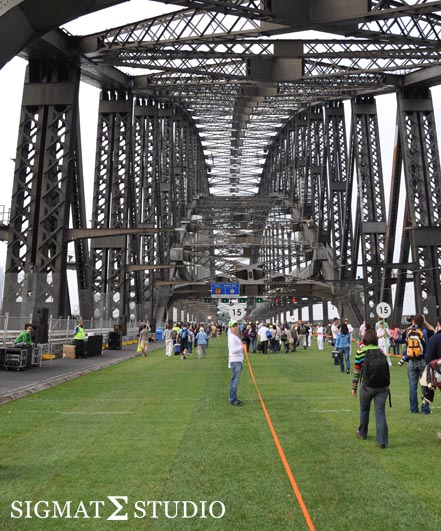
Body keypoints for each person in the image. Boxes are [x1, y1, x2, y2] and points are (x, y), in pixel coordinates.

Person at [351, 329, 389, 449]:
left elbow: (357, 371)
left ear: (365, 339)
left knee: (364, 410)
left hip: (367, 387)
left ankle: (362, 433)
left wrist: (354, 388)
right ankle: (382, 441)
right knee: (380, 413)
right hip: (382, 387)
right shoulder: (381, 352)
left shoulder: (361, 352)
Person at [405, 314, 433, 414]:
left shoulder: (409, 331)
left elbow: (402, 338)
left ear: (413, 322)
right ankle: (425, 408)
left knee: (412, 386)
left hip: (411, 361)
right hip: (423, 361)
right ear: (422, 322)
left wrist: (412, 325)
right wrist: (425, 321)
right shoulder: (425, 332)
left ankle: (413, 408)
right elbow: (433, 330)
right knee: (424, 385)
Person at [228, 321, 244, 406]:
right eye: (233, 326)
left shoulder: (234, 336)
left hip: (237, 360)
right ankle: (233, 399)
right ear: (230, 328)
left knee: (234, 380)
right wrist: (242, 347)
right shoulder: (232, 337)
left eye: (236, 326)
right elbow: (234, 350)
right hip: (236, 360)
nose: (235, 328)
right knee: (235, 380)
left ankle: (233, 398)